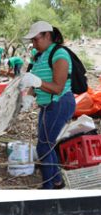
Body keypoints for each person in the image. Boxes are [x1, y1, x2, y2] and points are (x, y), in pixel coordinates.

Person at [20, 21, 76, 189]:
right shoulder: (39, 56)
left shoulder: (60, 54)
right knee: (47, 144)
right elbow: (36, 84)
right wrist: (29, 97)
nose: (33, 44)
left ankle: (48, 187)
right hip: (47, 105)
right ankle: (57, 181)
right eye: (32, 41)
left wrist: (36, 81)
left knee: (44, 146)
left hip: (60, 103)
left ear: (47, 36)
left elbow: (58, 88)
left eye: (36, 40)